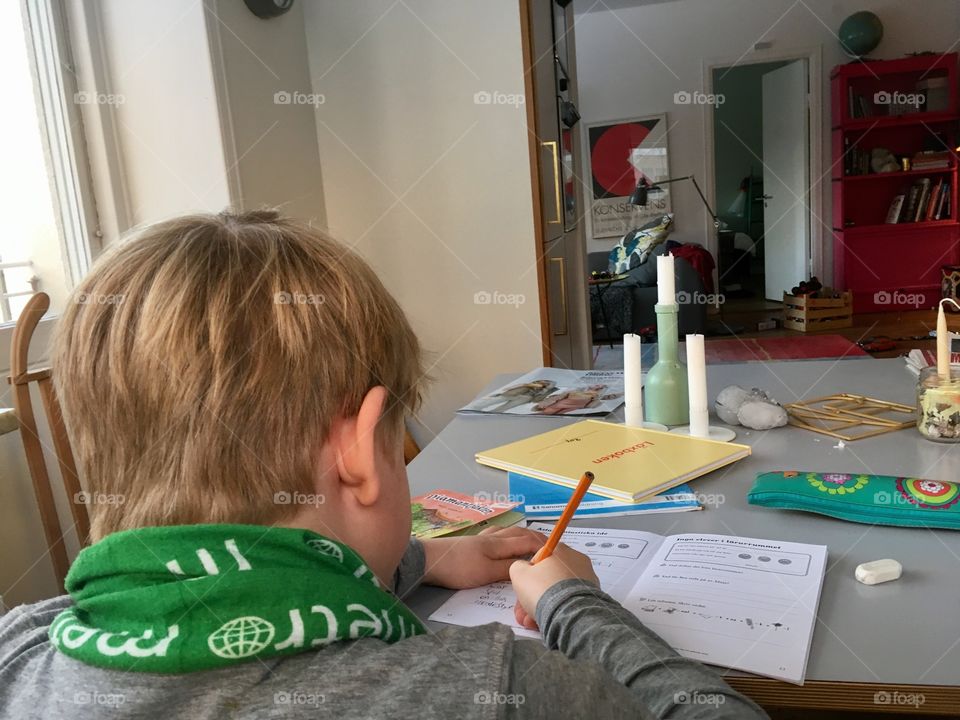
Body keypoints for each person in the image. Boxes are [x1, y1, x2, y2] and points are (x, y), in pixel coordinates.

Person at [0, 211, 767, 719]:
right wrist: (573, 605)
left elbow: (240, 584)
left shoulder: (22, 647)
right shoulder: (506, 692)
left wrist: (422, 558)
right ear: (363, 452)